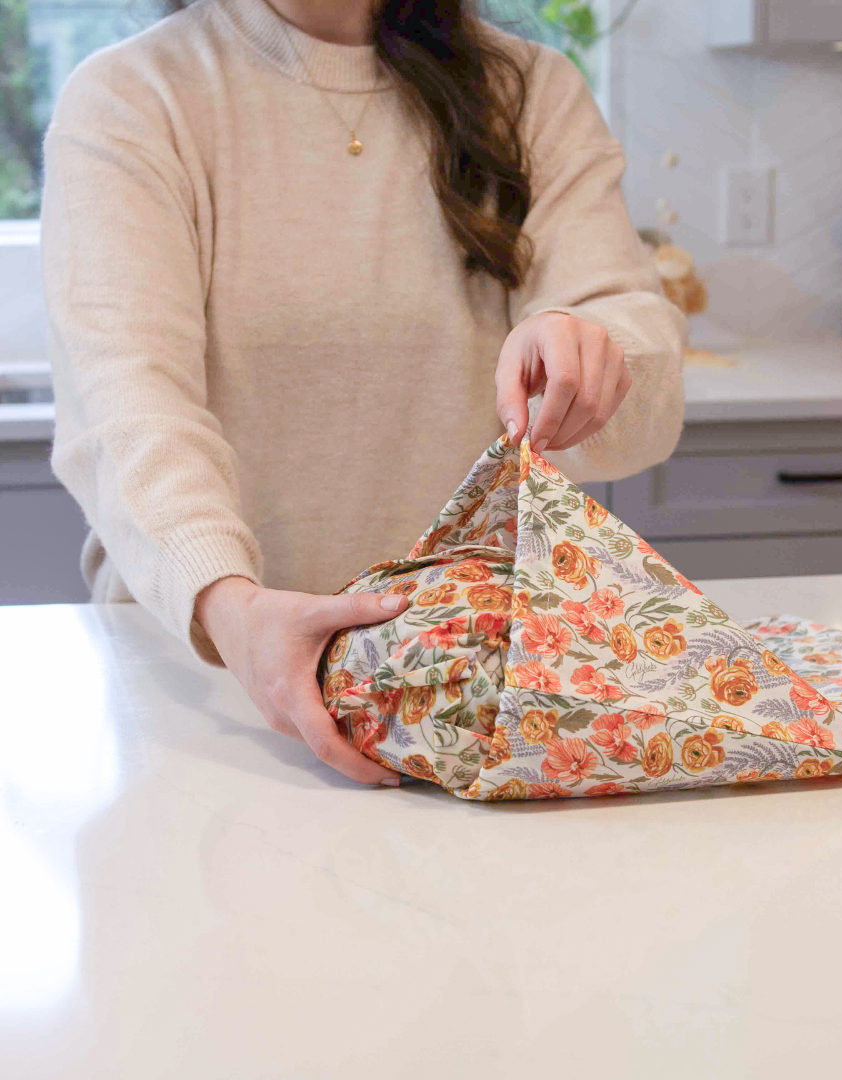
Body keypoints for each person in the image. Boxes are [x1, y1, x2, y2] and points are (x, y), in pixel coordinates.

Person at [40, 0, 687, 786]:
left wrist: (595, 352)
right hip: (209, 699)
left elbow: (631, 340)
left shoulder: (530, 92)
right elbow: (130, 405)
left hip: (466, 697)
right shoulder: (134, 96)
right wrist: (234, 611)